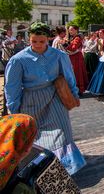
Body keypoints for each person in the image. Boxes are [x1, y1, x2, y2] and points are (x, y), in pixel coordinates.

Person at [4, 22, 86, 175]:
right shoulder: (18, 60)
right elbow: (12, 88)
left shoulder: (59, 55)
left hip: (55, 98)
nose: (38, 45)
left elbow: (69, 77)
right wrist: (14, 111)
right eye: (34, 41)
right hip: (31, 102)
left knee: (63, 132)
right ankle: (41, 169)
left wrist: (74, 95)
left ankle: (64, 168)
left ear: (48, 39)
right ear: (29, 39)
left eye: (42, 41)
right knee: (36, 137)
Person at [66, 25, 88, 95]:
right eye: (69, 30)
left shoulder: (77, 38)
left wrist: (65, 45)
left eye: (72, 29)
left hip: (76, 58)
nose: (70, 31)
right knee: (74, 73)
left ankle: (78, 89)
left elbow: (73, 48)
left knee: (77, 73)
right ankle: (76, 89)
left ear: (76, 30)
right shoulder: (73, 38)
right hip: (74, 57)